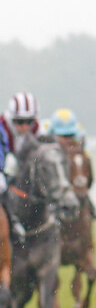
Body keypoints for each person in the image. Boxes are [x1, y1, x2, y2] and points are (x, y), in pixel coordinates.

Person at [0, 92, 42, 240]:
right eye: (19, 121)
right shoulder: (2, 126)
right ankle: (11, 221)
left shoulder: (37, 128)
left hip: (25, 168)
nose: (24, 126)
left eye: (29, 121)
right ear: (12, 118)